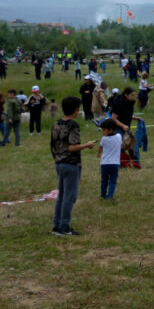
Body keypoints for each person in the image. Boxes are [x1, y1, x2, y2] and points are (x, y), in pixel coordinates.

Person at [51, 96, 95, 236]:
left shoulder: (56, 124)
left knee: (62, 196)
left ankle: (57, 226)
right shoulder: (73, 126)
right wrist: (87, 145)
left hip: (59, 164)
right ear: (76, 109)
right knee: (70, 197)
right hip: (71, 165)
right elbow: (72, 147)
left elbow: (53, 145)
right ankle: (64, 227)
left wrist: (58, 159)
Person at [97, 119, 122, 200]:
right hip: (115, 163)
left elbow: (100, 147)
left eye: (104, 129)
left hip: (104, 163)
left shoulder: (103, 139)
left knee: (104, 180)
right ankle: (110, 195)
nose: (102, 131)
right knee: (112, 181)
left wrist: (98, 154)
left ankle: (103, 194)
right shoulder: (119, 136)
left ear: (110, 130)